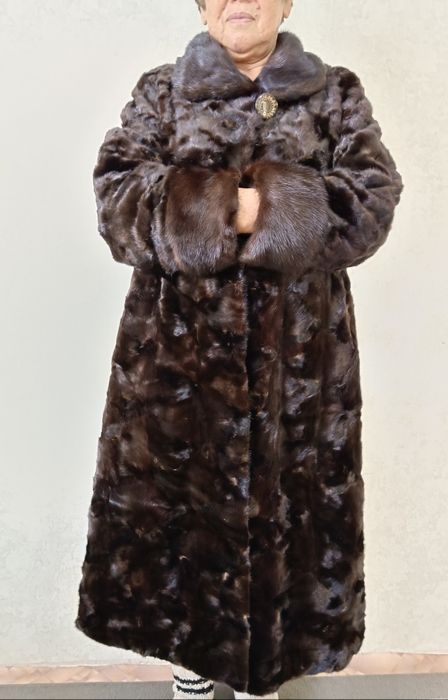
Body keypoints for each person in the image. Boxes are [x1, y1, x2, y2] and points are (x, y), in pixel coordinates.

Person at [75, 1, 404, 699]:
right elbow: (118, 198)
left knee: (287, 518)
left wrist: (259, 208)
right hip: (177, 367)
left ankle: (265, 678)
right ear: (202, 7)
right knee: (185, 523)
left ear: (286, 2)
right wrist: (237, 206)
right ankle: (192, 672)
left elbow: (370, 202)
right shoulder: (163, 91)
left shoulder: (334, 93)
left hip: (301, 372)